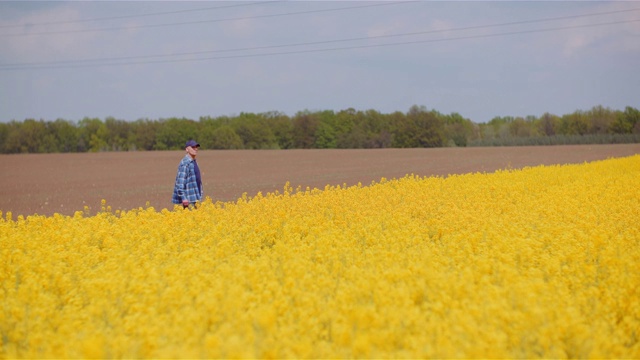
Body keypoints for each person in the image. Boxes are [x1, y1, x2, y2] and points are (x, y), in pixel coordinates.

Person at [172, 140, 203, 209]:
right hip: (189, 199)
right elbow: (180, 183)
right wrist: (184, 198)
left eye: (196, 147)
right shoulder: (185, 163)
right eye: (193, 147)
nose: (195, 149)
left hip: (196, 197)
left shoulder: (193, 161)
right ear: (187, 149)